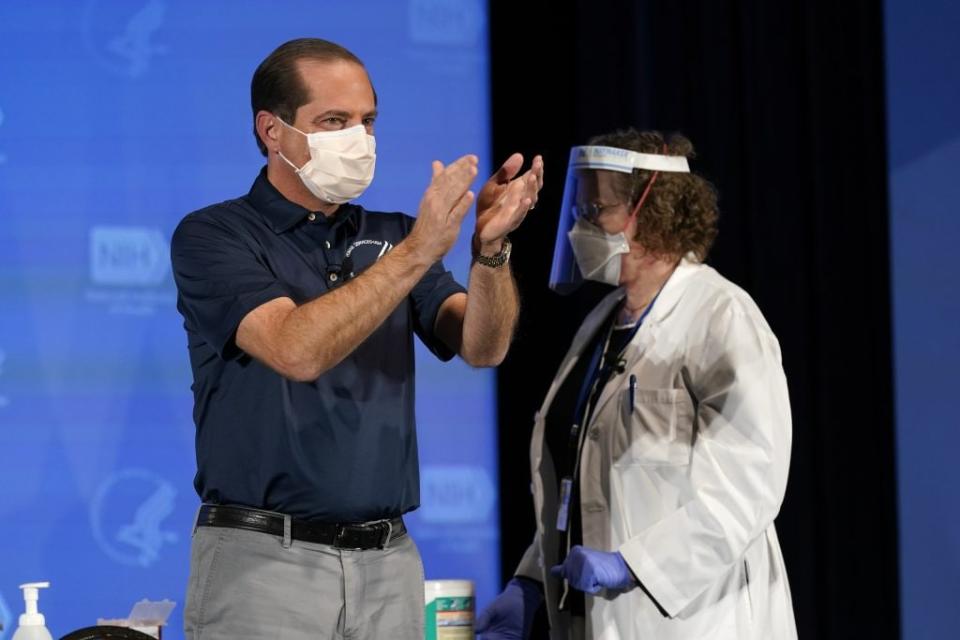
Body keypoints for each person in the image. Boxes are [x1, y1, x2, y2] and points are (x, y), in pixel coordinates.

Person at [170, 38, 542, 640]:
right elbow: (295, 349)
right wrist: (420, 250)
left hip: (389, 564)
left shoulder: (392, 235)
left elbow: (482, 344)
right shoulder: (215, 235)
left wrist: (490, 251)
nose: (360, 138)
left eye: (367, 120)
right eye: (334, 121)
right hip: (264, 563)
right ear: (273, 130)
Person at [476, 129, 796, 639]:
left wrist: (633, 564)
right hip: (598, 618)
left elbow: (748, 485)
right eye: (577, 213)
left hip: (695, 617)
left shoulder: (721, 317)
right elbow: (578, 482)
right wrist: (533, 582)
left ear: (653, 214)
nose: (581, 228)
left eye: (595, 211)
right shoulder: (603, 323)